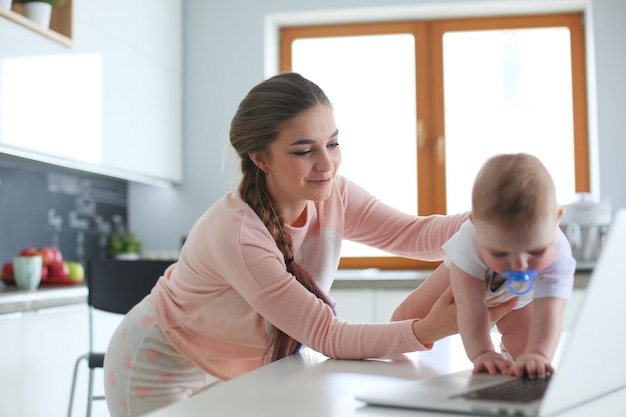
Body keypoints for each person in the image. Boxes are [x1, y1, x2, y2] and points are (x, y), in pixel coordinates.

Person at [102, 72, 515, 417]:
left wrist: (503, 218)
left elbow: (416, 235)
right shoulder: (238, 233)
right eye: (304, 151)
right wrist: (427, 330)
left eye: (332, 143)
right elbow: (327, 335)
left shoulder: (335, 194)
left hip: (241, 364)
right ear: (261, 158)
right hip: (161, 363)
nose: (326, 164)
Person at [392, 153, 575, 379]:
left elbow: (550, 309)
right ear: (476, 225)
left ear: (557, 220)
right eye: (501, 252)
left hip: (519, 298)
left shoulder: (559, 253)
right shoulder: (469, 241)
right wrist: (482, 353)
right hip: (465, 281)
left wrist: (539, 355)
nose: (519, 264)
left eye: (536, 252)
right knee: (403, 322)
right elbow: (470, 305)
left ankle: (508, 353)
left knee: (526, 354)